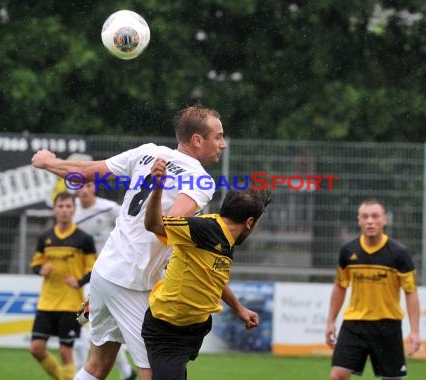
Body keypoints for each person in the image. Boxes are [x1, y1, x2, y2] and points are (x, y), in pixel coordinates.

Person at [31, 105, 259, 380]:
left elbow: (86, 172)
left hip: (106, 273)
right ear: (198, 140)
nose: (223, 144)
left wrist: (48, 162)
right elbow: (167, 226)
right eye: (218, 136)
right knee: (155, 372)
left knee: (97, 367)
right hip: (132, 282)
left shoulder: (148, 152)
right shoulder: (200, 180)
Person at [142, 159, 272, 379]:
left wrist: (239, 309)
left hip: (195, 329)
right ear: (249, 222)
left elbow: (212, 277)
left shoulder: (227, 240)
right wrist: (157, 189)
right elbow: (153, 225)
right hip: (167, 329)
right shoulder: (203, 228)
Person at [324, 199, 421, 380]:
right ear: (359, 220)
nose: (370, 221)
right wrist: (330, 321)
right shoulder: (348, 251)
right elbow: (340, 286)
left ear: (385, 219)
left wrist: (415, 331)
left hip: (388, 325)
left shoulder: (399, 253)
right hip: (354, 324)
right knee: (337, 375)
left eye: (375, 216)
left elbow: (411, 292)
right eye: (365, 216)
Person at [29, 192, 97, 380]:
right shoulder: (45, 237)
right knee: (36, 348)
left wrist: (79, 281)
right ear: (54, 209)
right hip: (47, 302)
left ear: (74, 210)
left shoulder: (84, 239)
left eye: (68, 206)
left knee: (65, 351)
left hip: (70, 304)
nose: (65, 210)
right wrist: (40, 269)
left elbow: (93, 268)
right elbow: (35, 263)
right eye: (61, 206)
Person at [73, 182, 137, 380]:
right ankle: (125, 371)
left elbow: (133, 225)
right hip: (85, 277)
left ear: (94, 187)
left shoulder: (109, 208)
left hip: (111, 274)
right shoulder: (70, 210)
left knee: (95, 329)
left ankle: (87, 371)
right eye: (79, 185)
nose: (84, 189)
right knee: (97, 329)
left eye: (88, 185)